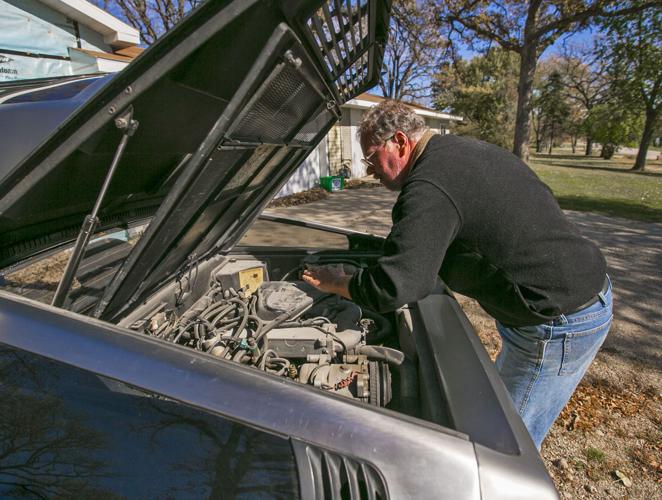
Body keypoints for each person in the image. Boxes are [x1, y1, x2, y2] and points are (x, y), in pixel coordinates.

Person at [301, 100, 612, 449]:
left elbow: (398, 285)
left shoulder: (429, 185)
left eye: (372, 158)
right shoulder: (458, 152)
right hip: (556, 301)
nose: (370, 170)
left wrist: (336, 283)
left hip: (558, 320)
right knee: (496, 407)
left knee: (500, 448)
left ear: (400, 142)